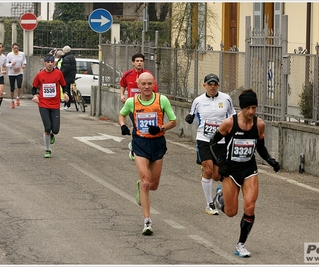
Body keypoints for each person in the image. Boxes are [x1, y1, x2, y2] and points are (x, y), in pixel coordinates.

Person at [209, 89, 280, 258]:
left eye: (254, 107)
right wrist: (220, 163)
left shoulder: (259, 124)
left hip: (249, 170)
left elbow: (260, 147)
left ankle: (241, 244)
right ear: (242, 108)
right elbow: (212, 143)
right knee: (232, 212)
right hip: (231, 171)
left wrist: (270, 160)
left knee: (250, 206)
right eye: (248, 108)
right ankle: (220, 197)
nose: (251, 111)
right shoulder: (229, 123)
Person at [118, 72, 177, 235]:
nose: (146, 87)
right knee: (145, 182)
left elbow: (174, 121)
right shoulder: (132, 102)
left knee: (154, 185)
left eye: (149, 84)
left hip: (157, 143)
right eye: (143, 84)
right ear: (138, 84)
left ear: (154, 84)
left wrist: (161, 128)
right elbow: (122, 114)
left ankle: (141, 187)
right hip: (140, 143)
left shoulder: (161, 100)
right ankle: (147, 221)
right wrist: (123, 125)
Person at [185, 73, 236, 215]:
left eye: (215, 84)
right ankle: (209, 204)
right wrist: (189, 118)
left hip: (220, 141)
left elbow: (232, 115)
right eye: (209, 84)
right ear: (204, 85)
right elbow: (192, 115)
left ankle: (219, 191)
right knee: (207, 171)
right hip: (204, 140)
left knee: (216, 175)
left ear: (218, 85)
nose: (212, 87)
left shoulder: (226, 99)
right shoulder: (198, 101)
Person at [119, 53, 158, 160]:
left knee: (141, 127)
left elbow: (154, 89)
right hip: (133, 106)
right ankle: (135, 148)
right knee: (136, 126)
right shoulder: (127, 74)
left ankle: (135, 145)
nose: (139, 63)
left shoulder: (147, 75)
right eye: (137, 61)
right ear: (133, 62)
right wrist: (122, 95)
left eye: (141, 61)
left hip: (146, 106)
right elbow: (123, 85)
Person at [31, 54, 68, 158]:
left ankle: (52, 134)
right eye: (48, 62)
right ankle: (47, 149)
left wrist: (66, 93)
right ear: (45, 63)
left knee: (55, 130)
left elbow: (64, 85)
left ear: (54, 63)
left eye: (52, 62)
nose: (50, 64)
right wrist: (35, 96)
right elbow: (33, 88)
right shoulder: (40, 75)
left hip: (55, 105)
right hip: (43, 104)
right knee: (47, 127)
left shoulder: (58, 74)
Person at [6, 42, 26, 109]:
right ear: (12, 48)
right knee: (12, 88)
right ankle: (12, 101)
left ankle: (18, 97)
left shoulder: (22, 54)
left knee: (19, 85)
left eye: (17, 48)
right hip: (11, 73)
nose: (16, 49)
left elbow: (24, 60)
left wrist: (24, 65)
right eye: (14, 48)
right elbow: (6, 64)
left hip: (19, 72)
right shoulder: (9, 55)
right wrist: (11, 64)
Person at [60, 45, 76, 111]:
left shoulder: (66, 58)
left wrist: (61, 74)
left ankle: (67, 105)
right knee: (68, 90)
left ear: (65, 51)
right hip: (71, 76)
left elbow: (66, 68)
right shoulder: (72, 57)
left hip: (66, 77)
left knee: (66, 91)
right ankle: (67, 105)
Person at [0, 42, 7, 114]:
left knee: (0, 93)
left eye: (0, 47)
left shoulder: (4, 57)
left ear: (2, 48)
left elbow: (4, 67)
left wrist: (4, 71)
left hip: (0, 76)